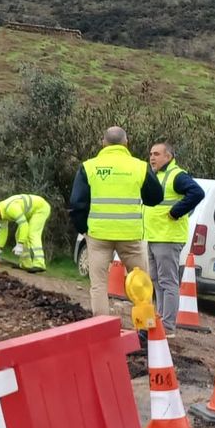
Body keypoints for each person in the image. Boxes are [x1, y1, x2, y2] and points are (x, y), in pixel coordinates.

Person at [69, 127, 164, 320]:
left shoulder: (89, 167)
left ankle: (101, 328)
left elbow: (77, 203)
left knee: (99, 285)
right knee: (140, 282)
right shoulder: (139, 166)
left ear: (103, 143)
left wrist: (83, 229)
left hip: (98, 235)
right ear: (126, 143)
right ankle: (145, 326)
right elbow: (155, 197)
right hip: (130, 235)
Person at [144, 141, 206, 335]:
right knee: (156, 280)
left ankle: (168, 326)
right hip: (154, 235)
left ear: (168, 157)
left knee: (168, 282)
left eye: (156, 154)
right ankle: (161, 319)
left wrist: (176, 212)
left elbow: (197, 192)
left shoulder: (177, 175)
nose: (152, 157)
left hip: (168, 237)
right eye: (151, 154)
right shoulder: (157, 175)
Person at [0, 193, 51, 271]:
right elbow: (3, 231)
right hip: (30, 212)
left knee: (32, 233)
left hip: (40, 208)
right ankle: (26, 264)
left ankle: (40, 264)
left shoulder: (10, 208)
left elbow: (24, 225)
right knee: (18, 235)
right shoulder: (1, 215)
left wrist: (20, 244)